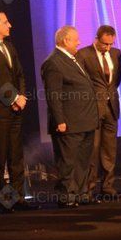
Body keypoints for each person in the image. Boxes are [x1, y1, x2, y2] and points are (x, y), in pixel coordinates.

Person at [0, 11, 35, 213]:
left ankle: (18, 198)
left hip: (16, 108)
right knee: (0, 157)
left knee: (16, 156)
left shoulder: (9, 46)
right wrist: (13, 98)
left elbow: (19, 74)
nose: (10, 25)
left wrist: (22, 97)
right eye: (5, 22)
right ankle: (4, 201)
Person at [42, 26, 99, 207]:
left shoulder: (74, 59)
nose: (79, 43)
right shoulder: (53, 62)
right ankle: (67, 196)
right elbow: (54, 95)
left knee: (82, 161)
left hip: (85, 120)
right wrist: (59, 120)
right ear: (66, 41)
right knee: (67, 162)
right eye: (76, 39)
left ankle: (81, 194)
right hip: (69, 122)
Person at [75, 25, 121, 200]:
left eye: (111, 44)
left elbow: (116, 81)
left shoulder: (116, 53)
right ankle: (88, 190)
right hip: (93, 109)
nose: (108, 47)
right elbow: (81, 82)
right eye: (105, 44)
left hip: (112, 107)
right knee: (93, 150)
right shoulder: (83, 54)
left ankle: (108, 187)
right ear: (96, 39)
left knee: (109, 150)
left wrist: (108, 96)